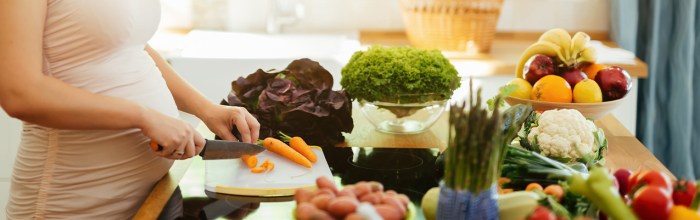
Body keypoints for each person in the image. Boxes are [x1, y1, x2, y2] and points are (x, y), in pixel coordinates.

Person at [0, 0, 260, 219]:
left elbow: (129, 45)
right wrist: (142, 116)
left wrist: (205, 108)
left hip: (151, 196)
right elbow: (19, 93)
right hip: (74, 202)